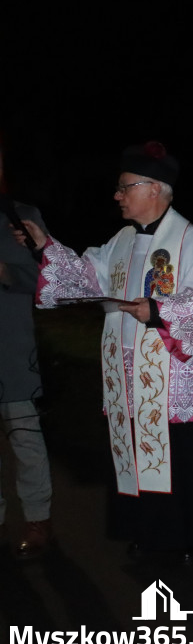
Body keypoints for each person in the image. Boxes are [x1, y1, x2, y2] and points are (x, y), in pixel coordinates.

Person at [17, 141, 193, 564]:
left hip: (175, 379)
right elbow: (85, 278)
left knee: (184, 455)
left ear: (154, 188)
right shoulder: (120, 240)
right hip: (129, 374)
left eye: (124, 187)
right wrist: (45, 245)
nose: (117, 195)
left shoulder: (192, 239)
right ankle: (147, 528)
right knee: (136, 451)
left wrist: (154, 310)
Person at [0, 144, 53, 559]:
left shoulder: (21, 215)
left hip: (12, 348)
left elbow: (47, 278)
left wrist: (4, 271)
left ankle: (37, 520)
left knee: (25, 438)